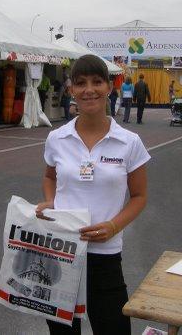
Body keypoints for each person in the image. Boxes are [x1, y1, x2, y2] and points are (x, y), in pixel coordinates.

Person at [36, 54, 150, 335]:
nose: (89, 89)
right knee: (62, 331)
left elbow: (139, 196)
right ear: (71, 89)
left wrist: (113, 226)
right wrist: (50, 201)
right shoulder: (57, 138)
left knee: (114, 328)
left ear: (109, 87)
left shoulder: (129, 142)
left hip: (105, 254)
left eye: (97, 81)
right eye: (81, 83)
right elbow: (50, 176)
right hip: (61, 249)